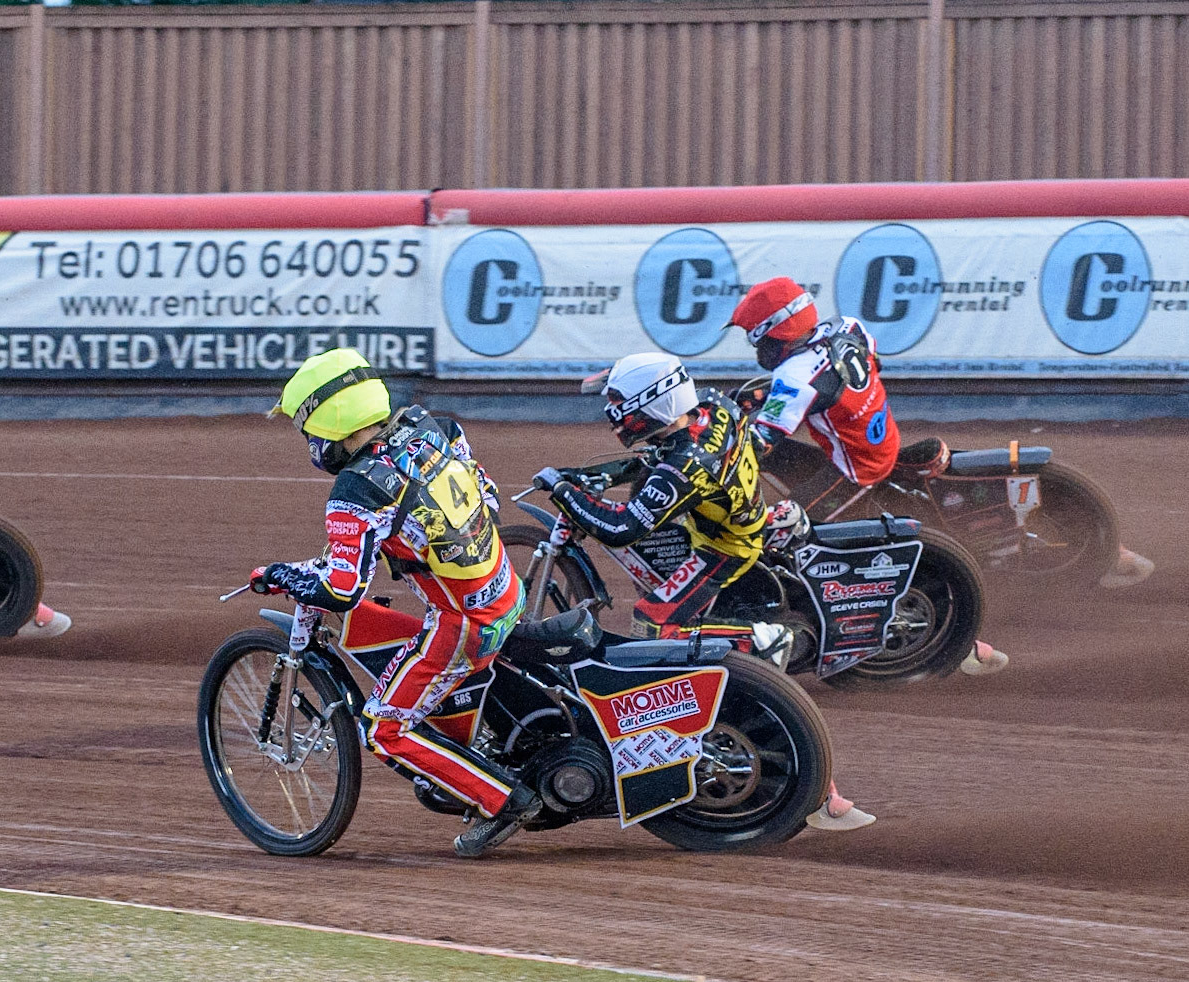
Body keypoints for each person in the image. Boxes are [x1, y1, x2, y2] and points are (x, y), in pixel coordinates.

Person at [534, 351, 874, 831]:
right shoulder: (709, 407)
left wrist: (566, 492)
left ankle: (756, 641)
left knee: (653, 623)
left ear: (652, 403)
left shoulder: (685, 462)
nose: (614, 416)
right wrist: (604, 477)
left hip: (722, 546)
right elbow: (651, 462)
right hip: (735, 510)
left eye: (621, 406)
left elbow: (621, 528)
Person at [253, 348, 536, 858]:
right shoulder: (436, 427)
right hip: (506, 587)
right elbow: (488, 497)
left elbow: (342, 589)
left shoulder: (356, 488)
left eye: (306, 428)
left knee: (382, 728)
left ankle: (504, 801)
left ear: (331, 419)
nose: (310, 442)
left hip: (465, 622)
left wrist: (278, 577)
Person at [728, 277, 1008, 676]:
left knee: (779, 540)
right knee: (780, 470)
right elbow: (865, 368)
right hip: (877, 443)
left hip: (854, 470)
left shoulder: (795, 378)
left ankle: (944, 641)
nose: (757, 350)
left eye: (758, 340)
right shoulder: (849, 327)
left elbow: (761, 441)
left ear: (777, 334)